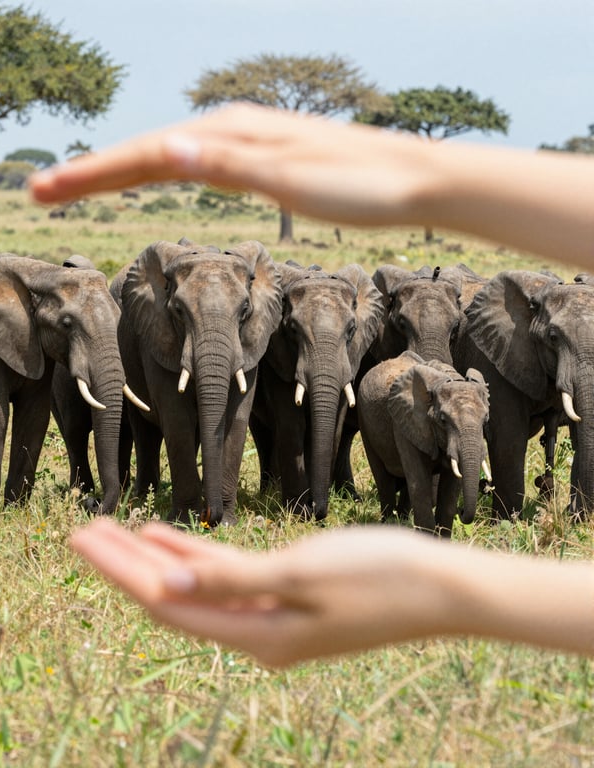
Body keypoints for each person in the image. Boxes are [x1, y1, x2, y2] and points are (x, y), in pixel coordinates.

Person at [30, 104, 594, 664]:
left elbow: (237, 420)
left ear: (257, 309)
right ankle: (187, 501)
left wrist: (411, 175)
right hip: (181, 354)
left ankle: (226, 504)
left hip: (257, 346)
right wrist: (411, 175)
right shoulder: (152, 313)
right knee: (183, 426)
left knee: (239, 423)